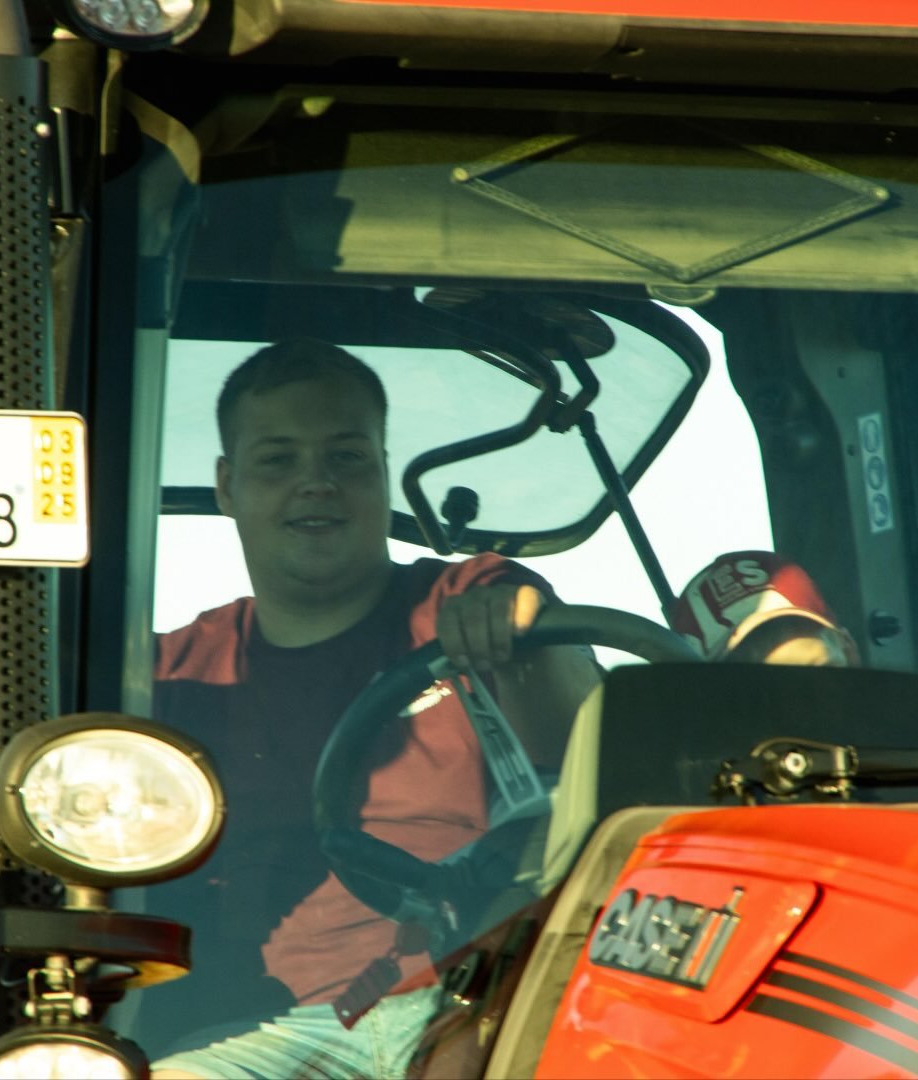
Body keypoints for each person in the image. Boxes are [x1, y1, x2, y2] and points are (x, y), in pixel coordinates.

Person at [148, 339, 601, 1078]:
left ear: (383, 472)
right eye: (278, 460)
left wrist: (522, 638)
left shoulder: (466, 603)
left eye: (347, 457)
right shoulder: (168, 676)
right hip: (271, 1030)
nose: (316, 483)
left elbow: (590, 749)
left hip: (485, 994)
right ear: (227, 486)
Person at [672, 550, 918, 801]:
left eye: (817, 673)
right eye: (766, 691)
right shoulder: (693, 797)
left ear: (847, 649)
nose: (801, 703)